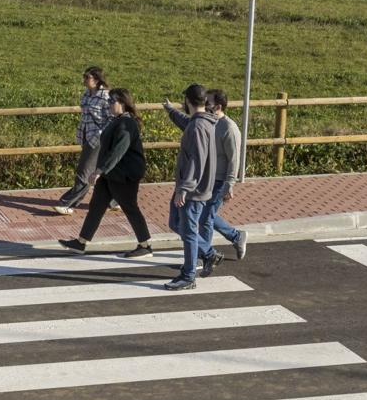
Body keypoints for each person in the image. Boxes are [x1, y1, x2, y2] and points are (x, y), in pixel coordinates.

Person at [58, 88, 153, 258]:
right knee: (96, 207)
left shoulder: (127, 124)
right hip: (111, 174)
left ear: (122, 103)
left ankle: (145, 245)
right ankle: (81, 242)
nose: (108, 104)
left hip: (124, 175)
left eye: (112, 102)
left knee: (130, 207)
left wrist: (100, 170)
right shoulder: (116, 120)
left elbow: (118, 151)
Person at [164, 84, 219, 291]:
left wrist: (184, 189)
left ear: (188, 100)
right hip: (191, 187)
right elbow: (187, 123)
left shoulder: (198, 126)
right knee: (175, 222)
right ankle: (209, 253)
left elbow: (196, 160)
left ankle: (188, 276)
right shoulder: (201, 122)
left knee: (187, 231)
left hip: (193, 190)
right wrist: (171, 111)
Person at [53, 67, 112, 215]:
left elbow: (112, 119)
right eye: (84, 76)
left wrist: (98, 135)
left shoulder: (106, 96)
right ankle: (115, 200)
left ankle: (68, 203)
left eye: (87, 77)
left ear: (97, 79)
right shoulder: (87, 93)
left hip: (97, 140)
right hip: (86, 136)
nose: (84, 80)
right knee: (102, 172)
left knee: (84, 172)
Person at [205, 89, 248, 260]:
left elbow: (234, 159)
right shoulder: (207, 122)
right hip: (206, 179)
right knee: (205, 216)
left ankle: (205, 255)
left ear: (218, 106)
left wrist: (229, 185)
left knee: (206, 217)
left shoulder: (229, 128)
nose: (204, 105)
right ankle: (236, 236)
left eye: (208, 102)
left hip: (220, 180)